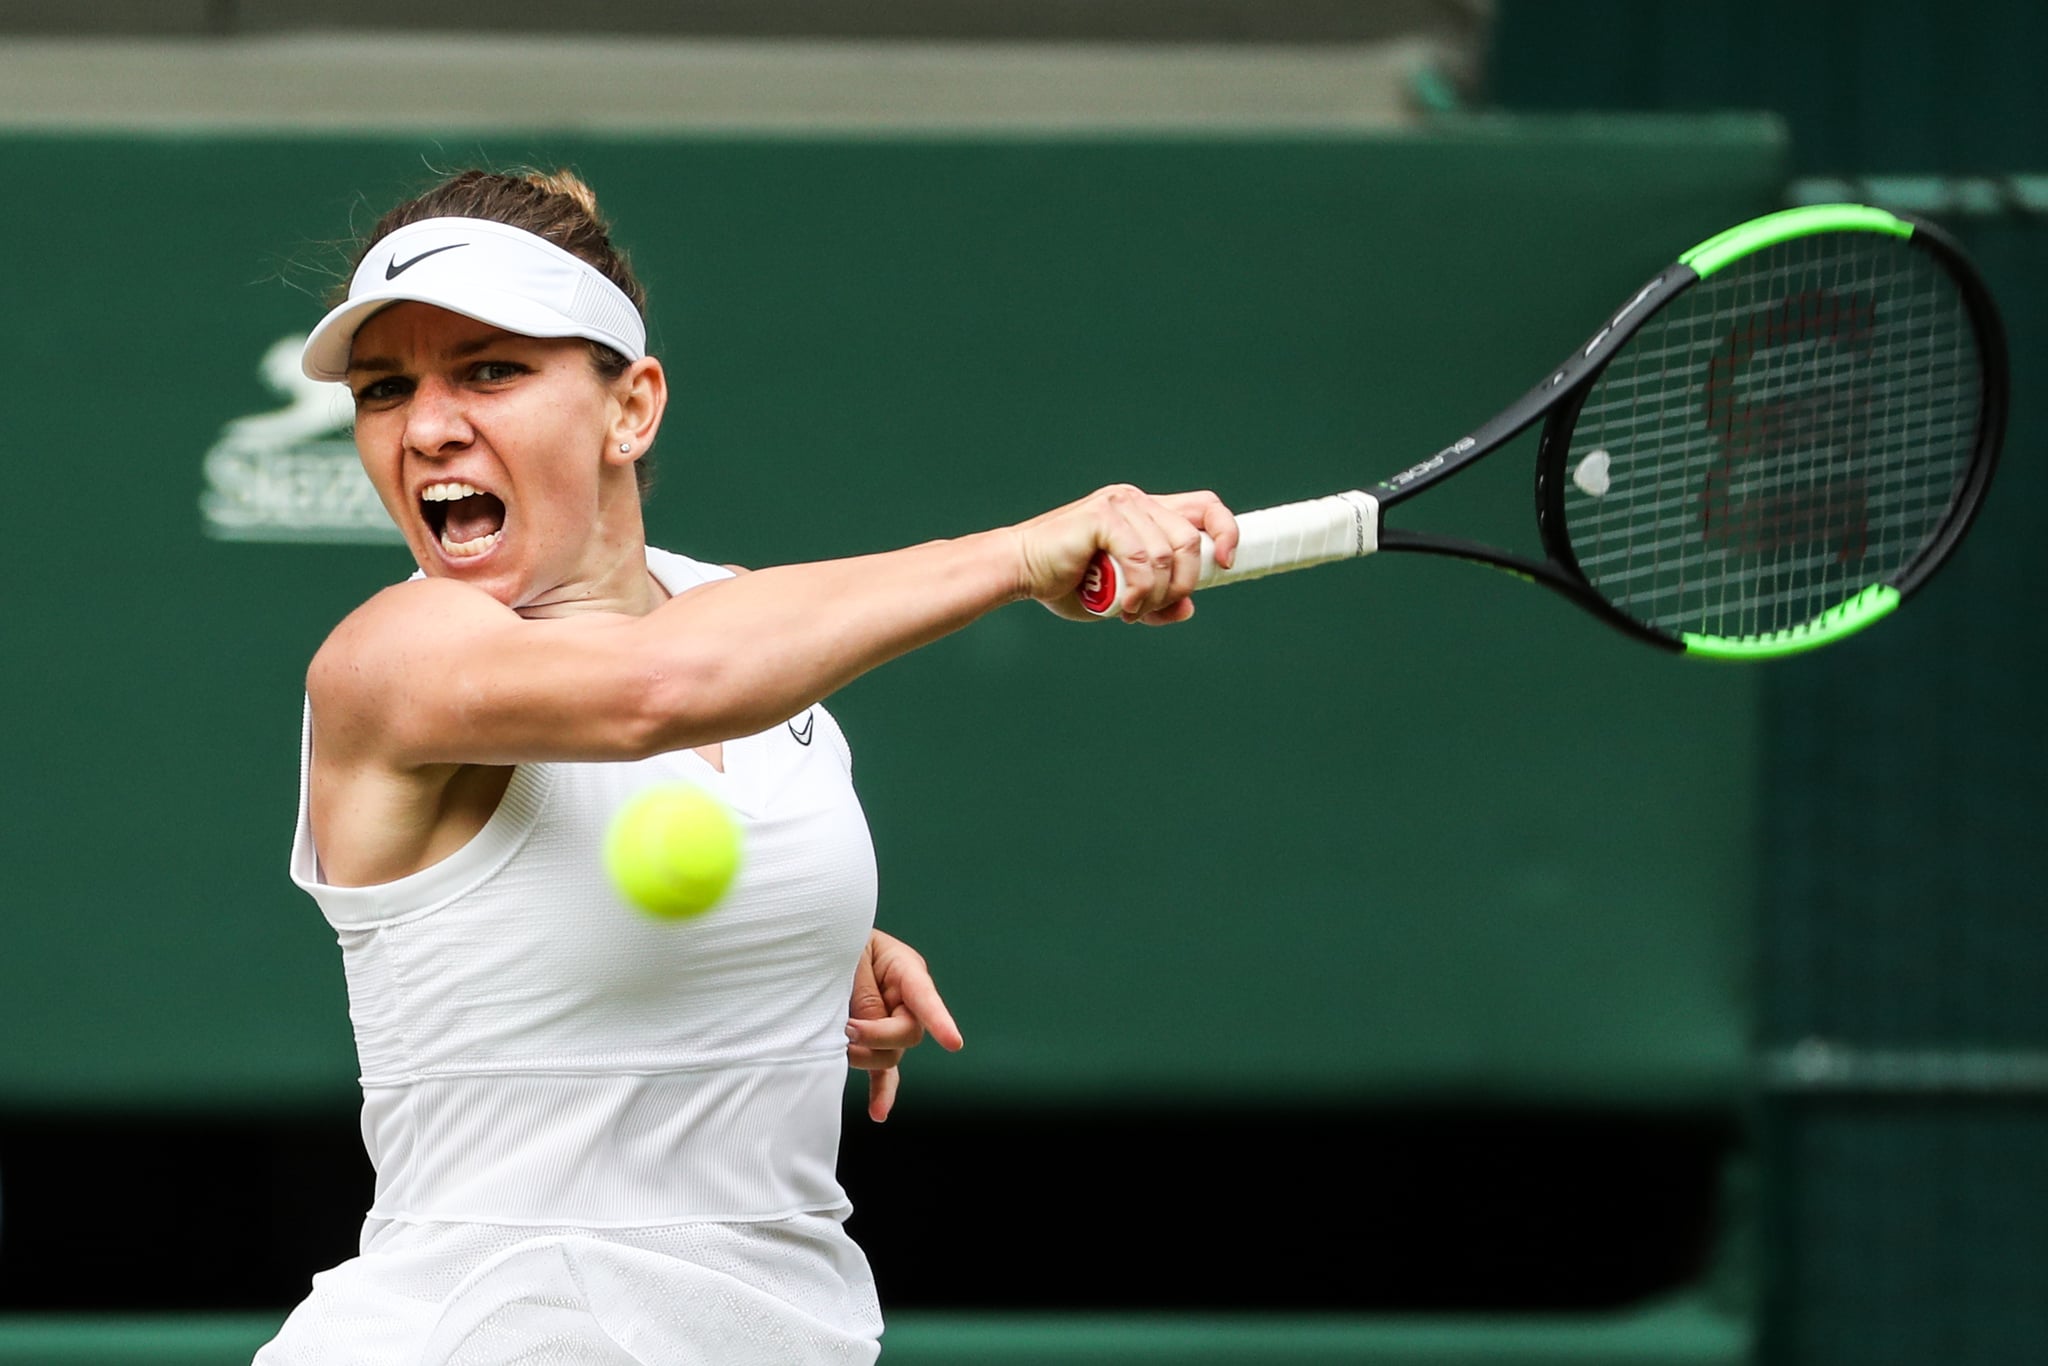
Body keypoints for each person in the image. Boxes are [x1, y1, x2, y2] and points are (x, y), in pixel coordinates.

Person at [256, 167, 1238, 1366]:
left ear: (630, 409)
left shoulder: (743, 630)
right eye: (383, 388)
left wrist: (810, 939)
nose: (426, 425)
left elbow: (674, 743)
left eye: (489, 370)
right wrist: (1022, 552)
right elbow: (657, 692)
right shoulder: (390, 658)